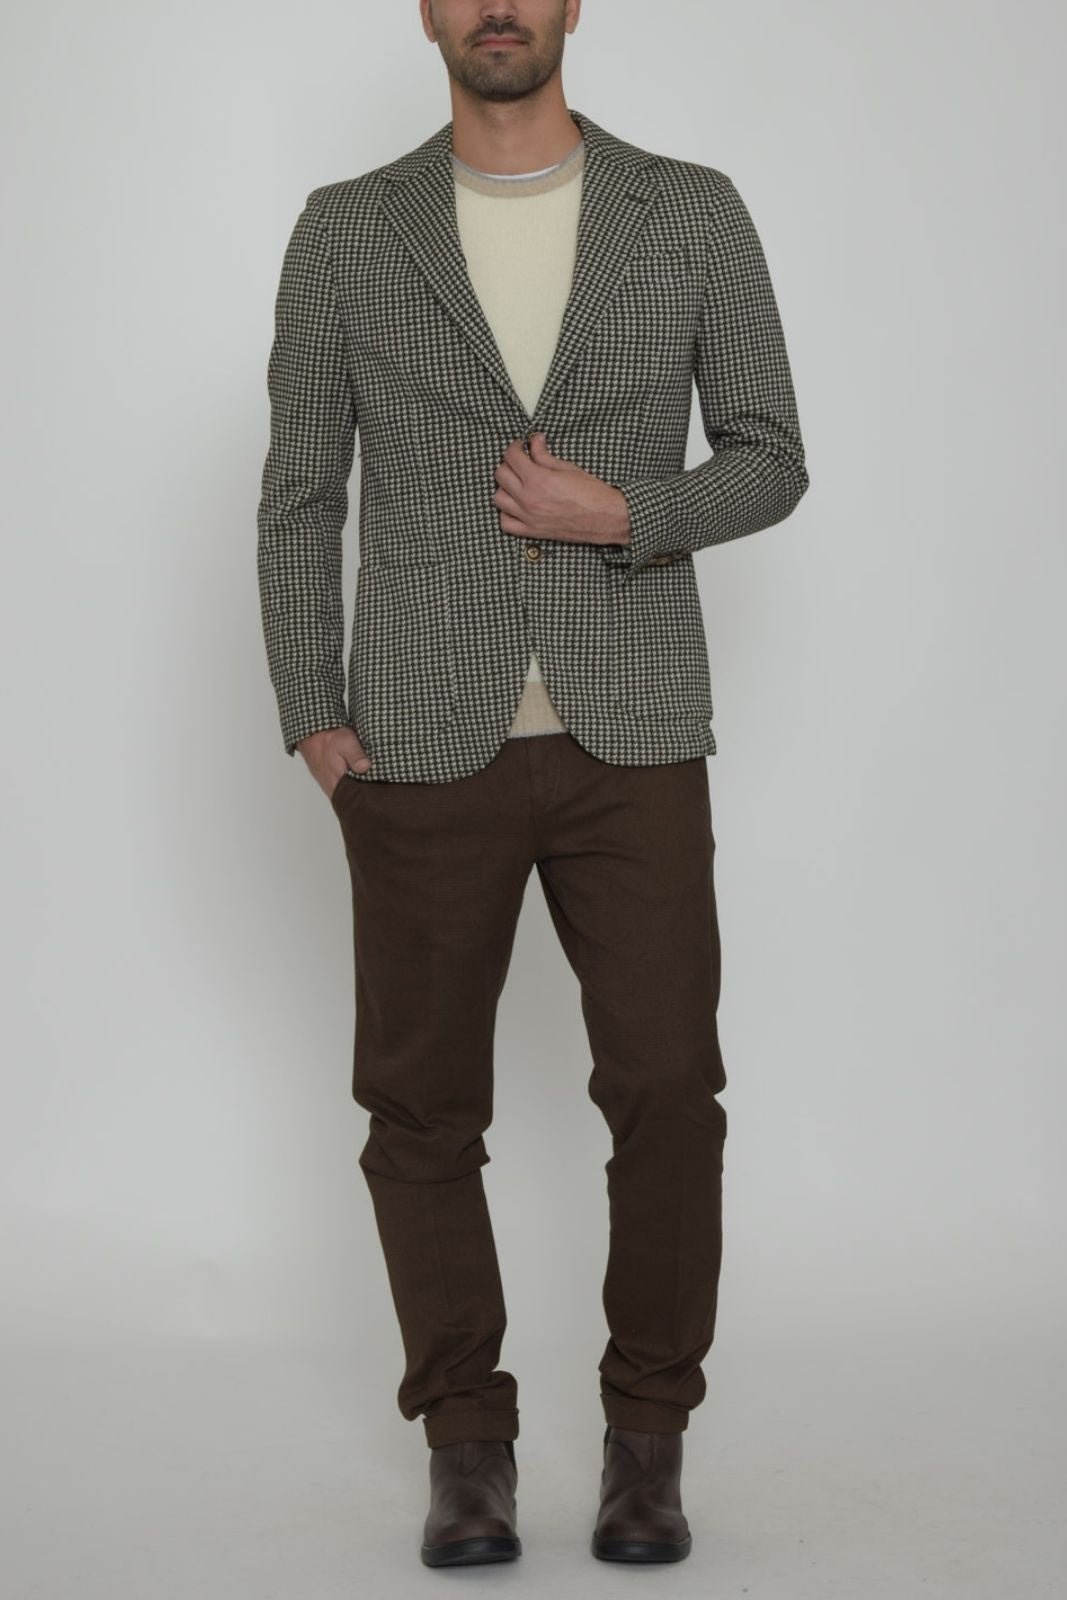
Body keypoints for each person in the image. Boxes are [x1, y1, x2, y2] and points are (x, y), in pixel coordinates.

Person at [256, 0, 808, 1569]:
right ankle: (466, 1448)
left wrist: (621, 512)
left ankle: (650, 1441)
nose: (498, 3)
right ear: (429, 11)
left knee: (668, 1093)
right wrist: (313, 713)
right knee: (421, 1106)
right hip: (419, 742)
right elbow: (299, 494)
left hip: (635, 733)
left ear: (572, 4)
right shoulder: (348, 228)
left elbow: (770, 453)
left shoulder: (688, 210)